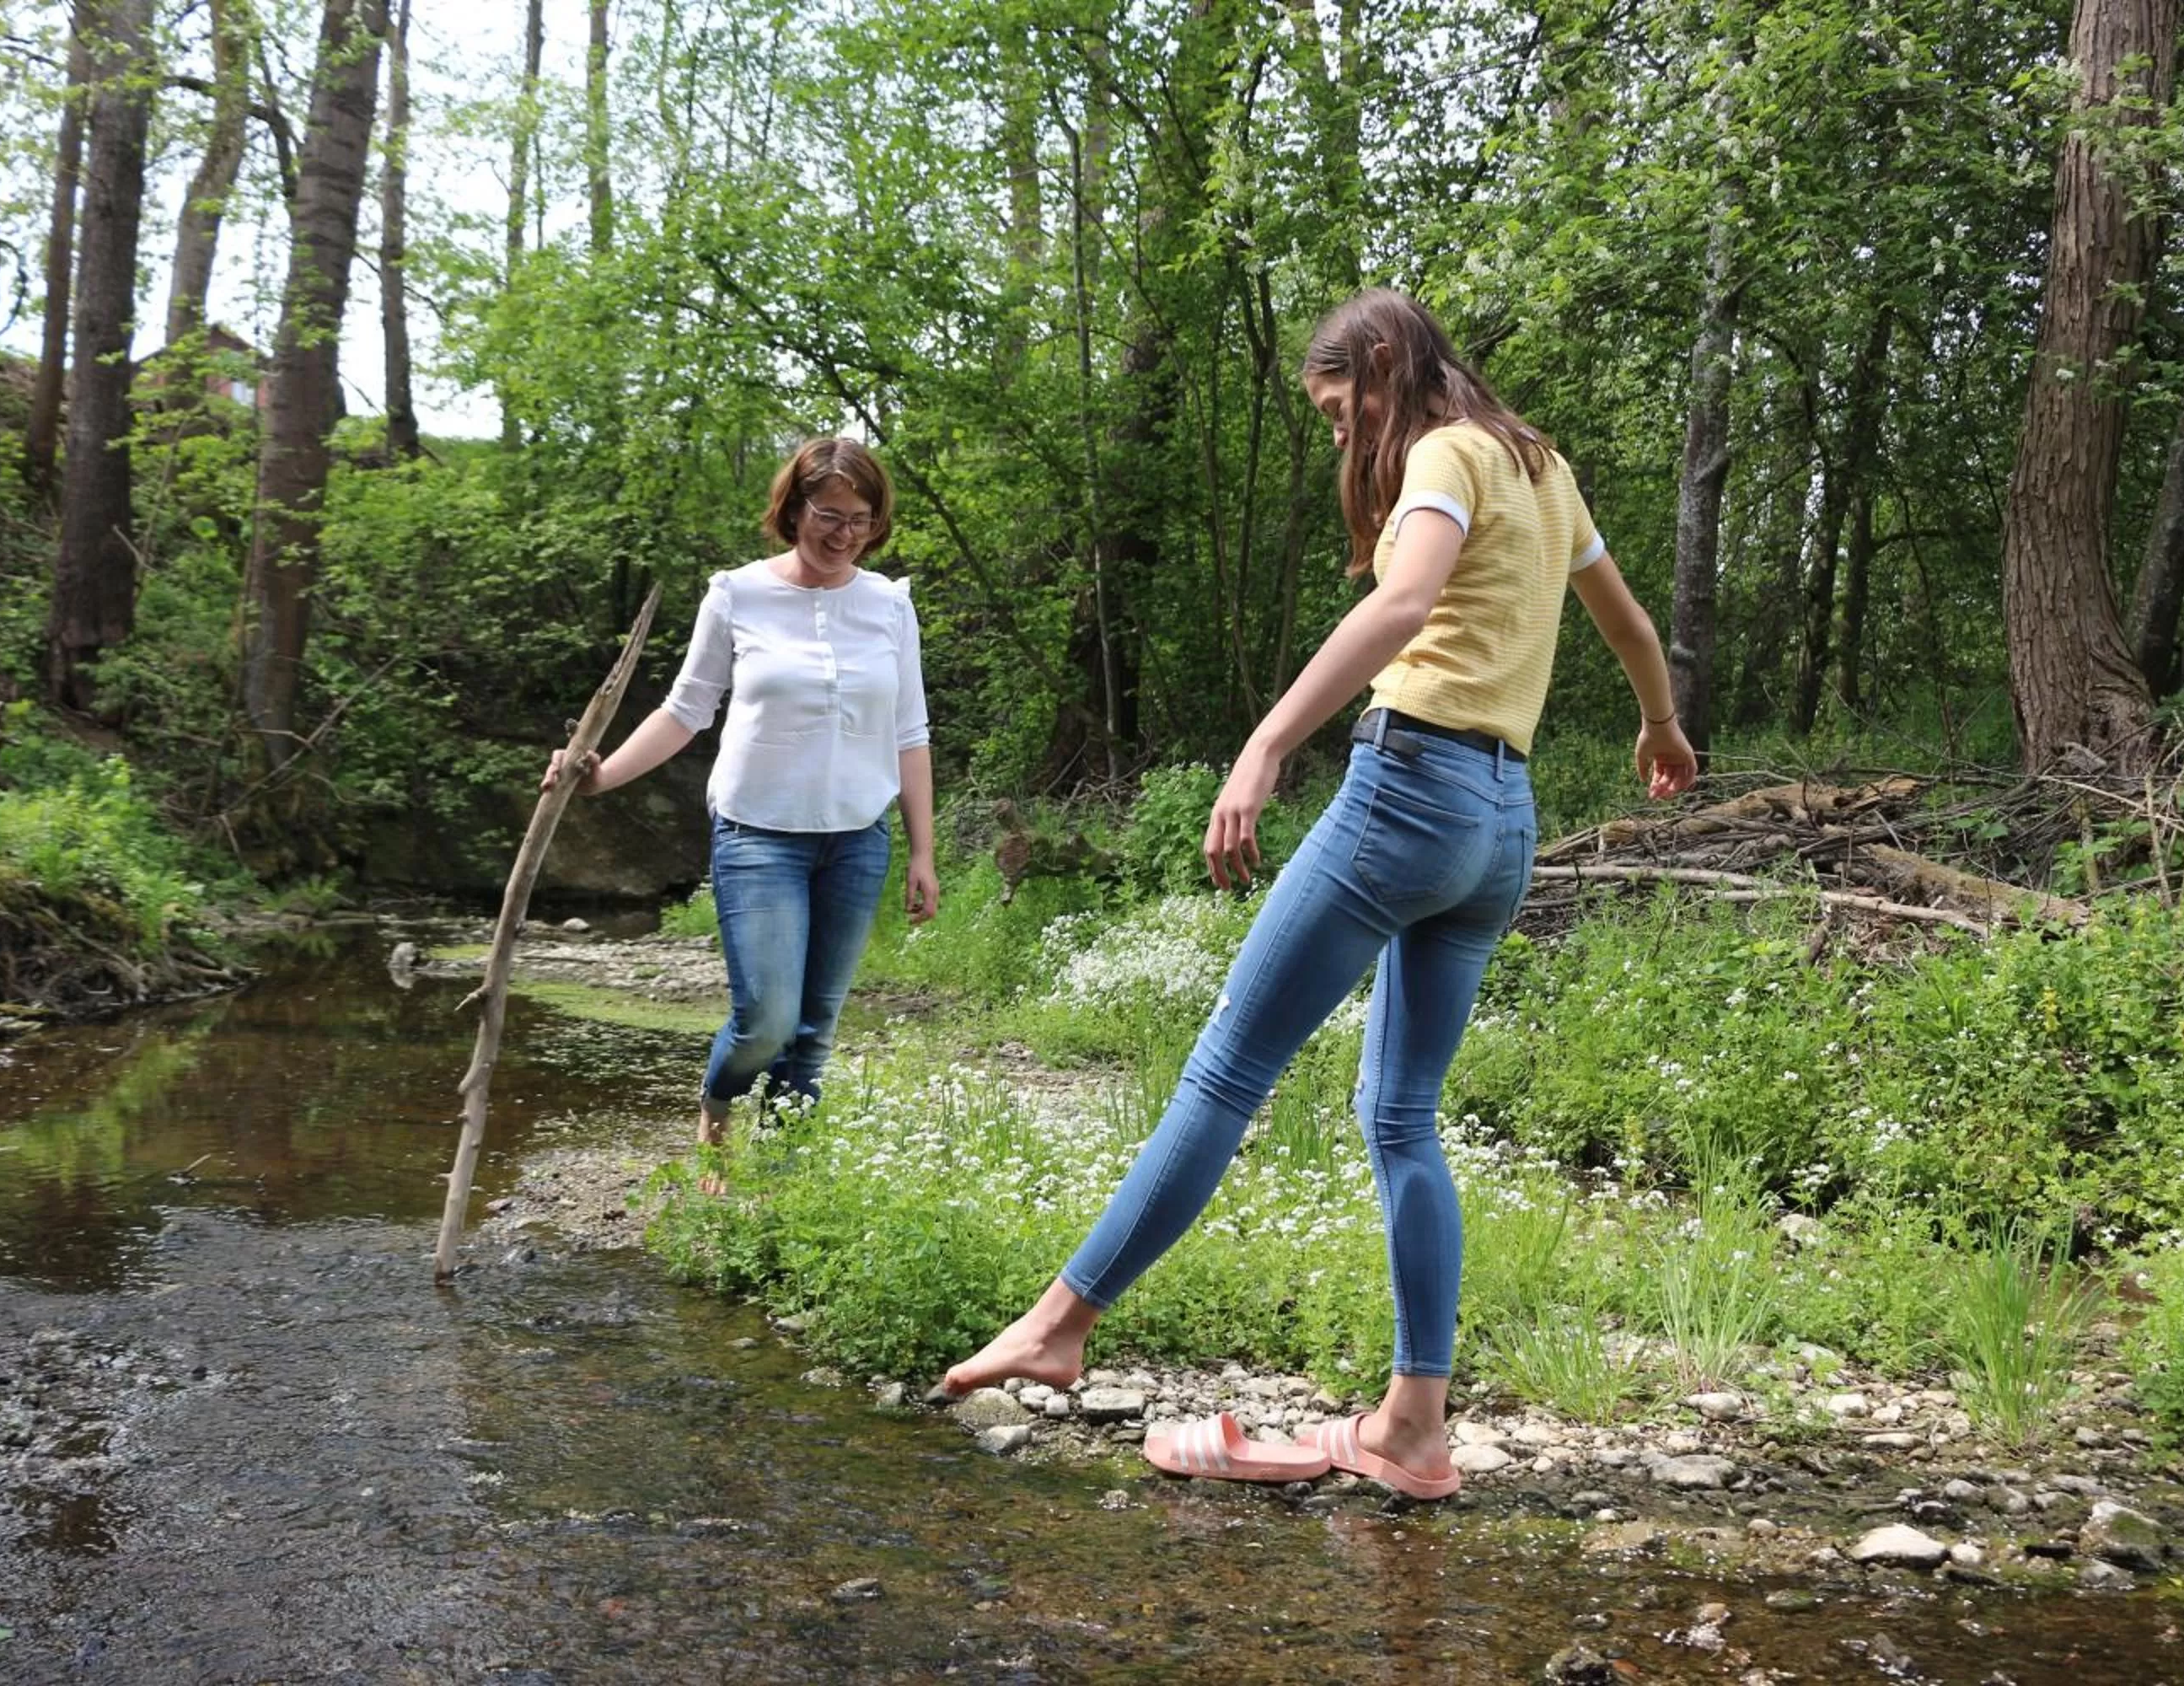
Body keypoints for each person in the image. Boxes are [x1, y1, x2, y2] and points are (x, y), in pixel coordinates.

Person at [940, 288, 1698, 1497]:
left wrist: (1264, 746)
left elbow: (1400, 604)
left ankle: (1061, 1323)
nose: (1340, 435)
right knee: (1401, 1115)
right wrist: (1661, 726)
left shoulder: (1447, 454)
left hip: (1410, 794)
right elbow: (1629, 621)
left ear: (1384, 363)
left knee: (1226, 1071)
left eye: (1340, 407)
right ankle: (1412, 1426)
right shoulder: (1540, 464)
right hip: (1502, 825)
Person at [545, 438, 937, 1189]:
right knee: (766, 1021)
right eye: (829, 514)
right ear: (792, 510)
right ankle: (718, 1111)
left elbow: (909, 734)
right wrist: (599, 778)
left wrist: (923, 854)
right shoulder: (737, 594)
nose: (845, 533)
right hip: (758, 836)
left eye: (862, 518)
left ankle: (783, 1184)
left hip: (858, 839)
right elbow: (685, 711)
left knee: (814, 1034)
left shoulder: (890, 606)